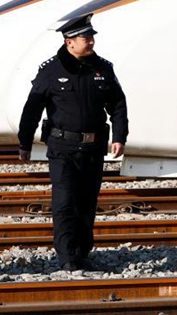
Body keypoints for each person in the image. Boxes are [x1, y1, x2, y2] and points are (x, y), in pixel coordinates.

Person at [17, 14, 128, 272]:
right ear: (70, 42)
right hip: (62, 149)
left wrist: (120, 137)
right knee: (65, 202)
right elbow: (32, 108)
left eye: (91, 38)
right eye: (85, 38)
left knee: (86, 203)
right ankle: (67, 257)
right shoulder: (51, 71)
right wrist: (25, 142)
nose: (90, 42)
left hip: (93, 148)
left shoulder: (102, 68)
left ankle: (82, 253)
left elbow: (118, 105)